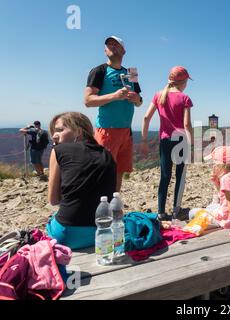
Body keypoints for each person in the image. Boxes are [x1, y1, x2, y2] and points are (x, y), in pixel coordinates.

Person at [46, 112, 117, 249]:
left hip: (67, 235)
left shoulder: (58, 151)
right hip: (103, 233)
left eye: (60, 130)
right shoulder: (107, 154)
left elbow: (53, 200)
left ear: (79, 132)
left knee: (54, 218)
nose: (54, 135)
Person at [84, 36, 143, 192]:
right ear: (105, 51)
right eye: (109, 45)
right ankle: (99, 209)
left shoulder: (131, 73)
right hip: (107, 129)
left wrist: (137, 99)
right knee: (104, 172)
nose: (112, 46)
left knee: (119, 172)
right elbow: (88, 100)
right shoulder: (99, 70)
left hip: (126, 130)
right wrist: (114, 96)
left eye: (116, 44)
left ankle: (113, 207)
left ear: (123, 50)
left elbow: (139, 101)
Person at [141, 66, 193, 220]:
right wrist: (190, 145)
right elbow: (187, 125)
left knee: (165, 176)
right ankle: (177, 211)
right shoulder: (185, 98)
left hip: (165, 140)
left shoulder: (158, 95)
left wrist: (143, 140)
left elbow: (145, 118)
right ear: (183, 82)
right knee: (180, 176)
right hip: (181, 140)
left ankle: (161, 212)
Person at [196, 146, 230, 240]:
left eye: (214, 162)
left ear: (222, 164)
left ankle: (215, 220)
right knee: (211, 207)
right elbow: (225, 198)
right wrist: (217, 183)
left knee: (192, 212)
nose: (212, 166)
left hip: (228, 221)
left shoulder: (226, 179)